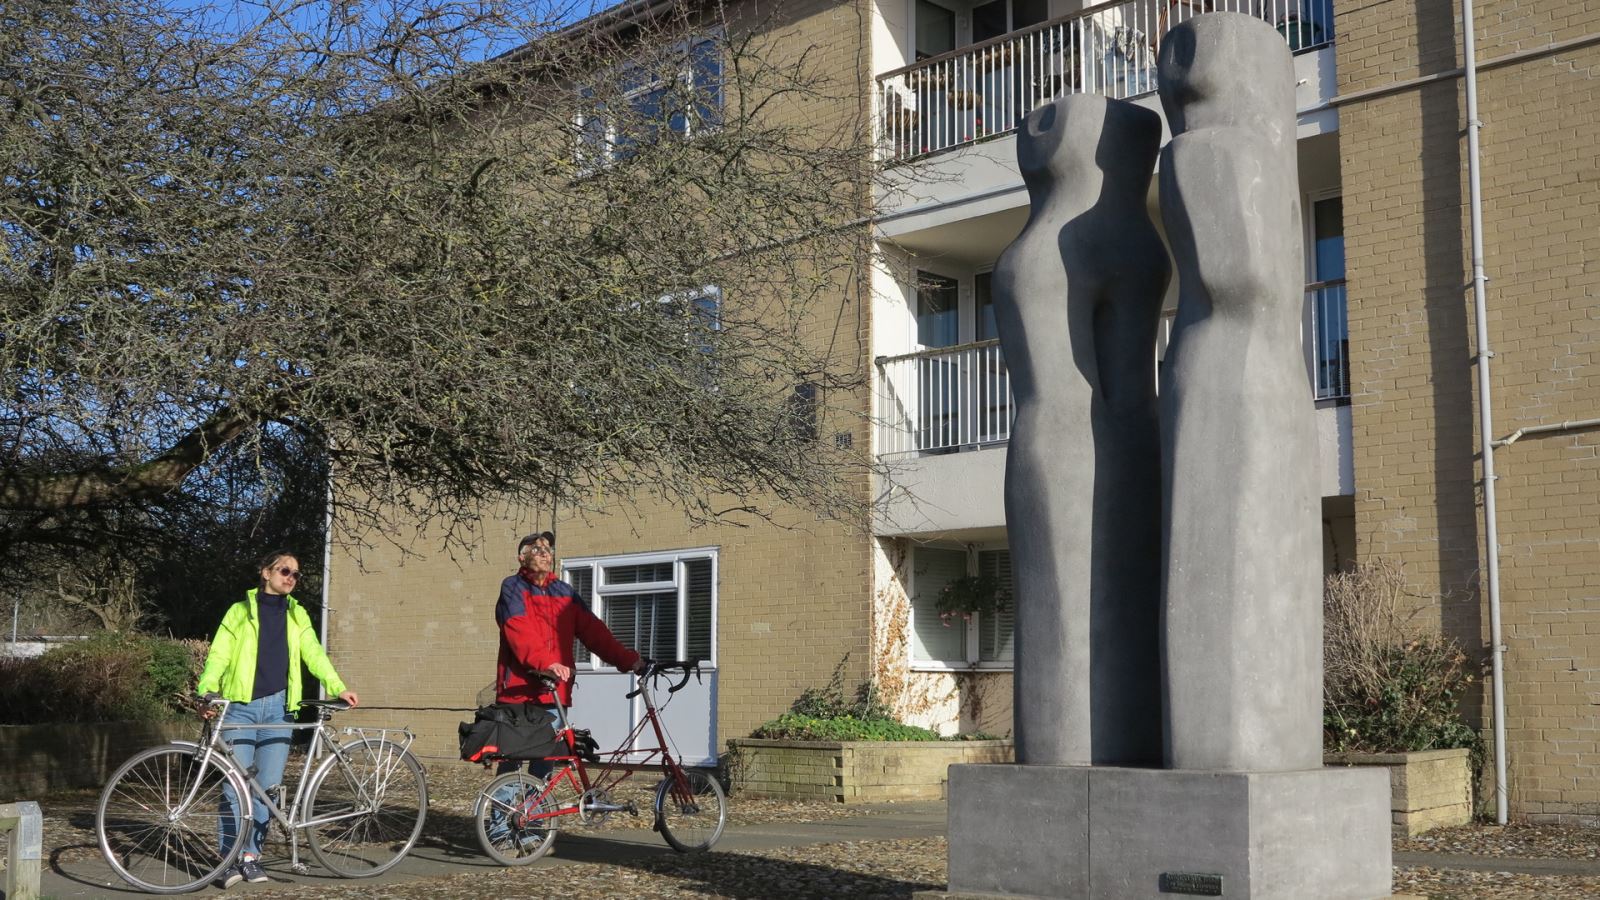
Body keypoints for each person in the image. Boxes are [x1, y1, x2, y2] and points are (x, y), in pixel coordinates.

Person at [197, 549, 358, 888]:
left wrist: (338, 686)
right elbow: (220, 653)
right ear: (265, 572)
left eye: (296, 574)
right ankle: (227, 861)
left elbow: (314, 653)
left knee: (266, 790)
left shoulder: (297, 614)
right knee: (233, 788)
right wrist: (207, 689)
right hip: (240, 706)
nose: (291, 578)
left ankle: (251, 857)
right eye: (285, 570)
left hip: (280, 710)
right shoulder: (240, 611)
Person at [494, 530, 645, 777]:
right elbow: (518, 631)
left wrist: (627, 660)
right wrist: (547, 662)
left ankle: (536, 816)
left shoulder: (564, 593)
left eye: (548, 550)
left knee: (545, 762)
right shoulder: (512, 587)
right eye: (537, 549)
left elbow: (594, 631)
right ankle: (501, 817)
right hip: (519, 692)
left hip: (554, 693)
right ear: (522, 558)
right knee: (513, 761)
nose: (545, 554)